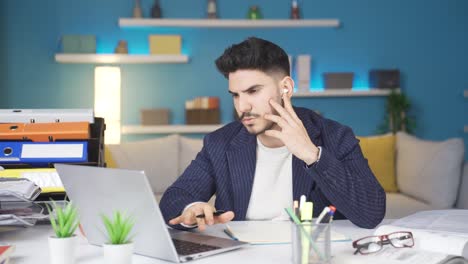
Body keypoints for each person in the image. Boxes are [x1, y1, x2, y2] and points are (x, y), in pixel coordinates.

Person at [160, 37, 386, 231]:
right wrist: (192, 209)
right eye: (236, 95)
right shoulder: (219, 142)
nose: (242, 107)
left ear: (285, 87)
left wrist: (312, 155)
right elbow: (173, 199)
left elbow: (371, 213)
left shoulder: (335, 137)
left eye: (253, 91)